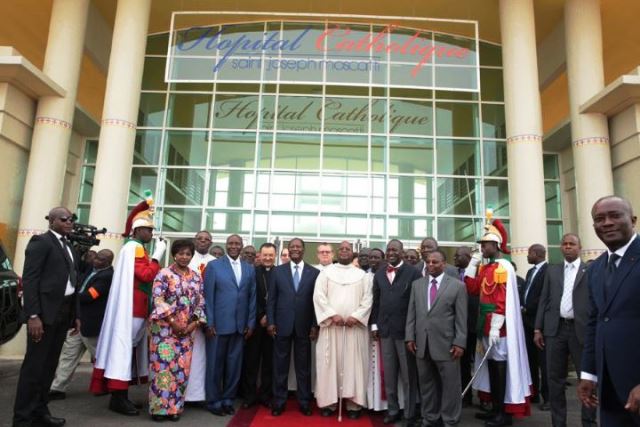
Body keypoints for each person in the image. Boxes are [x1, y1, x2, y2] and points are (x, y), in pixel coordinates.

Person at [90, 195, 167, 416]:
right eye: (148, 230)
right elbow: (145, 274)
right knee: (124, 351)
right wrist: (158, 255)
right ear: (137, 230)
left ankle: (121, 396)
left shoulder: (133, 247)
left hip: (136, 307)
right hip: (132, 309)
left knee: (128, 351)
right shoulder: (136, 248)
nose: (151, 234)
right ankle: (118, 397)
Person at [13, 207, 81, 427]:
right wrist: (33, 315)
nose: (69, 222)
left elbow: (73, 282)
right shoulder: (41, 242)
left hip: (64, 313)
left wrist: (76, 315)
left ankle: (40, 412)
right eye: (64, 219)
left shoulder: (69, 245)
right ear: (51, 221)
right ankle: (22, 418)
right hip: (43, 316)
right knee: (34, 368)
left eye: (72, 219)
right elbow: (30, 280)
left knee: (49, 366)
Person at [464, 214, 531, 427]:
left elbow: (501, 301)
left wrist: (495, 328)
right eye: (481, 245)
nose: (482, 249)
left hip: (498, 327)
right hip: (484, 324)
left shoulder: (502, 267)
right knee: (491, 367)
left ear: (495, 245)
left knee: (499, 367)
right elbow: (472, 288)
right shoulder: (487, 268)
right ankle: (494, 408)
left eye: (485, 245)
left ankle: (503, 413)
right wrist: (472, 263)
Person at [578, 196, 640, 426]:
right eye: (599, 219)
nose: (607, 223)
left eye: (615, 216)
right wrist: (589, 374)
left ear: (632, 220)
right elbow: (595, 323)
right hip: (609, 390)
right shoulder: (596, 269)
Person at [534, 233, 597, 427]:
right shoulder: (552, 271)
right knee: (555, 380)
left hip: (581, 331)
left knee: (586, 378)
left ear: (580, 247)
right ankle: (558, 423)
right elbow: (544, 300)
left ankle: (588, 422)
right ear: (560, 247)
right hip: (555, 330)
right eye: (564, 244)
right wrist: (538, 328)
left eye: (572, 244)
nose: (568, 247)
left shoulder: (591, 270)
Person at [406, 249, 468, 426]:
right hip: (421, 345)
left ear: (444, 263)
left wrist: (459, 342)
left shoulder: (457, 286)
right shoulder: (417, 285)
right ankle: (430, 418)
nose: (430, 265)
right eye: (428, 262)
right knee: (426, 386)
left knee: (450, 387)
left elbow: (461, 318)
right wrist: (410, 337)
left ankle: (450, 420)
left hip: (447, 345)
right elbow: (412, 314)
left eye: (435, 262)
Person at [148, 239, 206, 421]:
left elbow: (201, 302)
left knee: (181, 370)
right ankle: (159, 409)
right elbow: (158, 299)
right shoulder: (163, 274)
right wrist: (173, 322)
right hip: (165, 330)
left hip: (187, 332)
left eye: (188, 254)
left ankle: (174, 409)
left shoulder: (196, 277)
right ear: (174, 254)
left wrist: (193, 324)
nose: (184, 257)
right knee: (162, 369)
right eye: (181, 253)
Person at [314, 241, 373, 419]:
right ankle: (329, 403)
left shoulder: (362, 275)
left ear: (352, 252)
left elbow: (368, 299)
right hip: (332, 328)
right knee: (329, 365)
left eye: (348, 249)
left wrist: (356, 316)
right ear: (337, 253)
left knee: (354, 365)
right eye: (342, 249)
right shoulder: (325, 274)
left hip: (354, 329)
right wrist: (332, 315)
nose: (345, 251)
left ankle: (353, 404)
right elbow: (319, 296)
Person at [49, 249, 114, 400]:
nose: (97, 261)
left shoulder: (107, 276)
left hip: (92, 325)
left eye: (101, 260)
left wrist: (68, 296)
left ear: (108, 263)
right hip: (77, 323)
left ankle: (108, 386)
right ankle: (57, 388)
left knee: (100, 357)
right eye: (97, 257)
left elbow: (89, 296)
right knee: (68, 355)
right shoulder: (92, 269)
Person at [203, 234, 256, 416]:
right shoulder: (214, 266)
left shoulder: (249, 269)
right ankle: (214, 400)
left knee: (234, 366)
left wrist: (250, 322)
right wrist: (209, 322)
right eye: (230, 243)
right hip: (218, 325)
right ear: (226, 245)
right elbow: (207, 297)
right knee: (215, 365)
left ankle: (228, 399)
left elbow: (252, 298)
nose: (234, 246)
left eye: (237, 244)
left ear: (242, 246)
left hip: (240, 327)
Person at [267, 238, 320, 416]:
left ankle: (305, 401)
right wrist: (271, 322)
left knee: (303, 367)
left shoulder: (314, 272)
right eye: (292, 247)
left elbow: (316, 302)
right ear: (288, 250)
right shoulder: (277, 271)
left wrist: (314, 324)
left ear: (304, 250)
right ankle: (279, 401)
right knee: (280, 366)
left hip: (304, 326)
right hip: (281, 325)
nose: (295, 249)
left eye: (298, 247)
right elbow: (272, 299)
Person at [370, 240, 421, 425]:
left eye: (394, 250)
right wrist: (374, 325)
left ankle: (409, 413)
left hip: (405, 333)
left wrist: (413, 332)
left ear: (402, 252)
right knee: (389, 375)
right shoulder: (379, 274)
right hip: (385, 331)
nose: (391, 252)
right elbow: (376, 301)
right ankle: (393, 409)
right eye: (389, 249)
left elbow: (416, 305)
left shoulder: (413, 273)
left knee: (408, 376)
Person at [241, 242, 277, 408]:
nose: (268, 258)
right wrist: (261, 315)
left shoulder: (280, 273)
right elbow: (249, 297)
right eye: (265, 255)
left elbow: (280, 299)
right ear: (259, 256)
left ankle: (266, 395)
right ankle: (249, 396)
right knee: (251, 362)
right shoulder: (252, 273)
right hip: (254, 324)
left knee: (269, 363)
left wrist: (269, 317)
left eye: (271, 255)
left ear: (274, 256)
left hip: (273, 325)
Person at [185, 230, 216, 404]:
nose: (203, 242)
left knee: (201, 357)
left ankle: (198, 395)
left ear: (210, 242)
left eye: (207, 239)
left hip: (206, 316)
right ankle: (182, 394)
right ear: (195, 241)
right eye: (200, 239)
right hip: (186, 317)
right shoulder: (187, 259)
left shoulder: (215, 262)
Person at [521, 244, 549, 409]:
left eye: (529, 252)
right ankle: (534, 394)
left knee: (544, 362)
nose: (527, 256)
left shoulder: (548, 271)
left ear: (537, 254)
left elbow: (544, 297)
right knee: (530, 360)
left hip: (540, 323)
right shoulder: (530, 272)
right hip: (527, 322)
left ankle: (548, 397)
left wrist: (528, 307)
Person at [454, 245, 478, 408]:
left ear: (468, 257)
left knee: (477, 363)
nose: (455, 258)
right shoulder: (453, 274)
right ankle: (465, 395)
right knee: (461, 364)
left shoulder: (479, 272)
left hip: (475, 326)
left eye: (458, 256)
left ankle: (485, 397)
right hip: (458, 327)